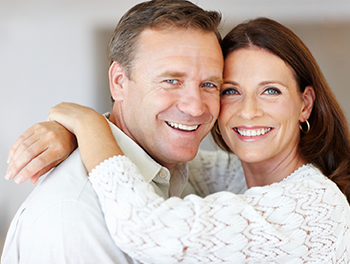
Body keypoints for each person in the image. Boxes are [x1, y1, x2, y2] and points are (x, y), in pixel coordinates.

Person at [30, 18, 350, 263]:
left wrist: (86, 123)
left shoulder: (314, 206)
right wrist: (69, 133)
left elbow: (147, 230)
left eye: (271, 91)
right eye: (230, 91)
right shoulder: (231, 174)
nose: (249, 112)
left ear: (305, 104)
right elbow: (147, 151)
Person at [2, 1, 247, 263]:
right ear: (119, 82)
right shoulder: (77, 210)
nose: (195, 107)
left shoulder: (176, 174)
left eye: (209, 84)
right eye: (171, 81)